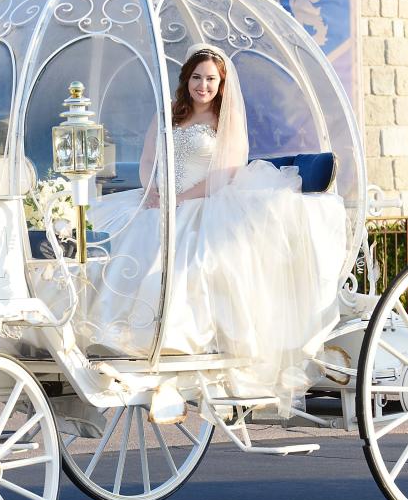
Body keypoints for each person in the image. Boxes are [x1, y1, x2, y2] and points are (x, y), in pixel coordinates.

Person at [75, 44, 348, 414]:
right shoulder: (167, 115)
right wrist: (153, 191)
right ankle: (97, 335)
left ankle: (167, 343)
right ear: (186, 79)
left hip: (204, 198)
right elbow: (148, 159)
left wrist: (181, 198)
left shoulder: (225, 121)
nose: (203, 85)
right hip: (159, 198)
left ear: (221, 85)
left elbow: (226, 175)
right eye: (197, 77)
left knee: (186, 260)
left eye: (210, 79)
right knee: (112, 240)